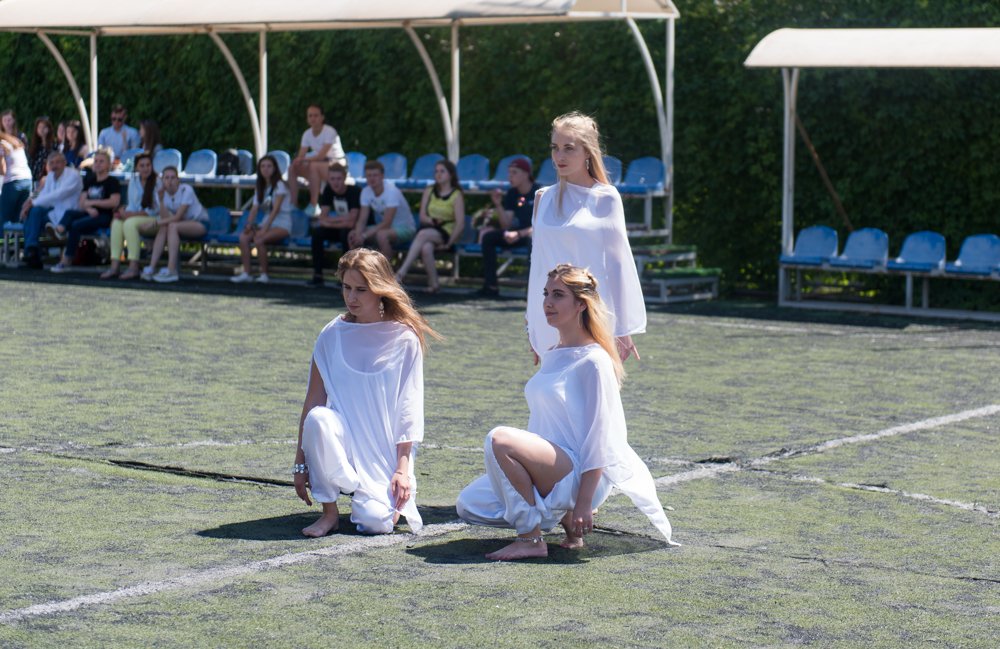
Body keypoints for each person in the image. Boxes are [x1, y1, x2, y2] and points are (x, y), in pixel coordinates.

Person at [456, 264, 678, 560]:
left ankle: (531, 538)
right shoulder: (554, 353)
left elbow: (600, 437)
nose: (548, 302)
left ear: (581, 305)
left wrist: (584, 501)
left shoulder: (595, 361)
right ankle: (564, 517)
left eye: (558, 295)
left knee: (499, 439)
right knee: (470, 504)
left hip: (581, 474)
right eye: (546, 293)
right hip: (552, 468)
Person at [293, 248, 440, 537]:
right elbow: (313, 401)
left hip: (384, 450)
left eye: (361, 289)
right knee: (319, 418)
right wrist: (300, 462)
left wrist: (402, 469)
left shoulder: (404, 337)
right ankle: (330, 512)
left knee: (376, 523)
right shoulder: (331, 334)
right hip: (342, 445)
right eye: (346, 287)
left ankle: (372, 495)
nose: (352, 297)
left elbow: (409, 409)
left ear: (380, 289)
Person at [527, 112, 645, 362]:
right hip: (553, 318)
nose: (559, 156)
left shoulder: (606, 198)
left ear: (588, 151)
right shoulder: (542, 198)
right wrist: (532, 323)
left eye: (569, 148)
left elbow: (617, 264)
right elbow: (537, 265)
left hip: (592, 316)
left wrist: (622, 329)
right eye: (555, 148)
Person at [394, 160, 465, 293]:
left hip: (447, 232)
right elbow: (422, 216)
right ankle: (434, 284)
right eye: (436, 171)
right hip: (430, 227)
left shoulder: (457, 195)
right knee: (426, 248)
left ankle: (400, 274)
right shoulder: (429, 190)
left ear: (451, 174)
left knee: (422, 234)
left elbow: (460, 223)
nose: (438, 174)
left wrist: (449, 244)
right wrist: (431, 220)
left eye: (442, 171)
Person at [474, 158, 541, 297]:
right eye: (509, 173)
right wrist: (498, 204)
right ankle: (491, 286)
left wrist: (519, 234)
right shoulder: (512, 193)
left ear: (526, 174)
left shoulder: (539, 193)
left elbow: (541, 226)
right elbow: (506, 224)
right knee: (488, 238)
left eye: (514, 173)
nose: (510, 176)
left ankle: (531, 292)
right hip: (516, 234)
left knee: (532, 241)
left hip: (533, 235)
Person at [49, 148, 121, 273]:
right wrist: (88, 208)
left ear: (108, 164)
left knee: (76, 225)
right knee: (70, 213)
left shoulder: (112, 182)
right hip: (89, 213)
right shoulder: (90, 180)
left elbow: (114, 202)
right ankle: (59, 231)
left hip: (104, 216)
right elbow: (81, 202)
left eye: (101, 161)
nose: (97, 164)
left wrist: (92, 203)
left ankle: (66, 259)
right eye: (96, 161)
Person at [231, 155, 292, 284]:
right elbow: (254, 208)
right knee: (243, 237)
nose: (266, 169)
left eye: (269, 166)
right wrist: (249, 224)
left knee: (259, 239)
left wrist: (264, 229)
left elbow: (275, 210)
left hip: (282, 224)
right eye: (263, 166)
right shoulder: (260, 186)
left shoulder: (280, 185)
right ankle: (246, 273)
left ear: (275, 168)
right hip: (267, 222)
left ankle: (264, 274)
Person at [141, 166, 207, 283]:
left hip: (200, 223)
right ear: (162, 180)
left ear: (178, 180)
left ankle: (172, 270)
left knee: (172, 226)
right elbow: (165, 218)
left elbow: (177, 217)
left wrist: (154, 223)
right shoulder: (160, 193)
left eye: (173, 178)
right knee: (165, 227)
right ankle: (151, 267)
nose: (170, 181)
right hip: (181, 224)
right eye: (166, 178)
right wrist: (161, 201)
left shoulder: (186, 190)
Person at [18, 151, 83, 269]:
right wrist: (30, 205)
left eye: (58, 162)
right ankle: (32, 252)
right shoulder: (50, 177)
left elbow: (58, 194)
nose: (54, 166)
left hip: (68, 215)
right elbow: (43, 195)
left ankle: (31, 252)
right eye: (52, 163)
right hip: (52, 212)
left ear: (64, 162)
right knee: (32, 212)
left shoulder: (73, 175)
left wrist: (32, 203)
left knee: (34, 211)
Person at [100, 152, 159, 280]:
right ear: (136, 167)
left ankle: (134, 267)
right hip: (138, 218)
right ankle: (114, 266)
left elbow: (154, 211)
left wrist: (129, 215)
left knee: (129, 223)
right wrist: (123, 213)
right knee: (117, 223)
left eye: (148, 165)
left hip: (158, 221)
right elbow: (132, 205)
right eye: (142, 165)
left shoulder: (158, 182)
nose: (145, 168)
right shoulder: (134, 180)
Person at [348, 160, 416, 261]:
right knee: (352, 234)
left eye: (375, 175)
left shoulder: (392, 191)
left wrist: (363, 236)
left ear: (382, 176)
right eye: (369, 175)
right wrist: (358, 235)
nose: (372, 178)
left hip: (406, 228)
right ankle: (355, 265)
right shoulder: (365, 192)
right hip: (386, 228)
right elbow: (362, 220)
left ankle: (387, 268)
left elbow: (387, 223)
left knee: (381, 235)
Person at [307, 162, 361, 287]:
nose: (335, 182)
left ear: (344, 178)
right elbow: (322, 218)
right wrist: (342, 220)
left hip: (355, 229)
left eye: (338, 179)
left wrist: (330, 221)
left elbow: (352, 222)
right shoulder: (328, 190)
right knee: (317, 233)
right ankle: (318, 275)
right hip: (341, 227)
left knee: (345, 234)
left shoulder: (354, 191)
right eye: (332, 179)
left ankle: (345, 277)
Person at [288, 104, 347, 214]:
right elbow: (301, 156)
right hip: (320, 165)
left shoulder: (330, 131)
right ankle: (293, 204)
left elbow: (321, 156)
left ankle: (314, 205)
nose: (312, 118)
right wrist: (297, 161)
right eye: (310, 116)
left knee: (313, 166)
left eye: (316, 115)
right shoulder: (307, 134)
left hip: (338, 164)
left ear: (322, 117)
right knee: (292, 168)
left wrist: (303, 160)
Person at [1, 132, 33, 225]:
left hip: (12, 183)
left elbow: (2, 170)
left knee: (3, 219)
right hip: (27, 180)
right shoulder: (14, 141)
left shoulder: (2, 144)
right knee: (19, 219)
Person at [27, 117, 57, 182]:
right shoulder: (34, 145)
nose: (41, 130)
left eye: (44, 127)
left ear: (49, 129)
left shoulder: (54, 146)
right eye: (39, 127)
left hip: (47, 179)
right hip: (33, 178)